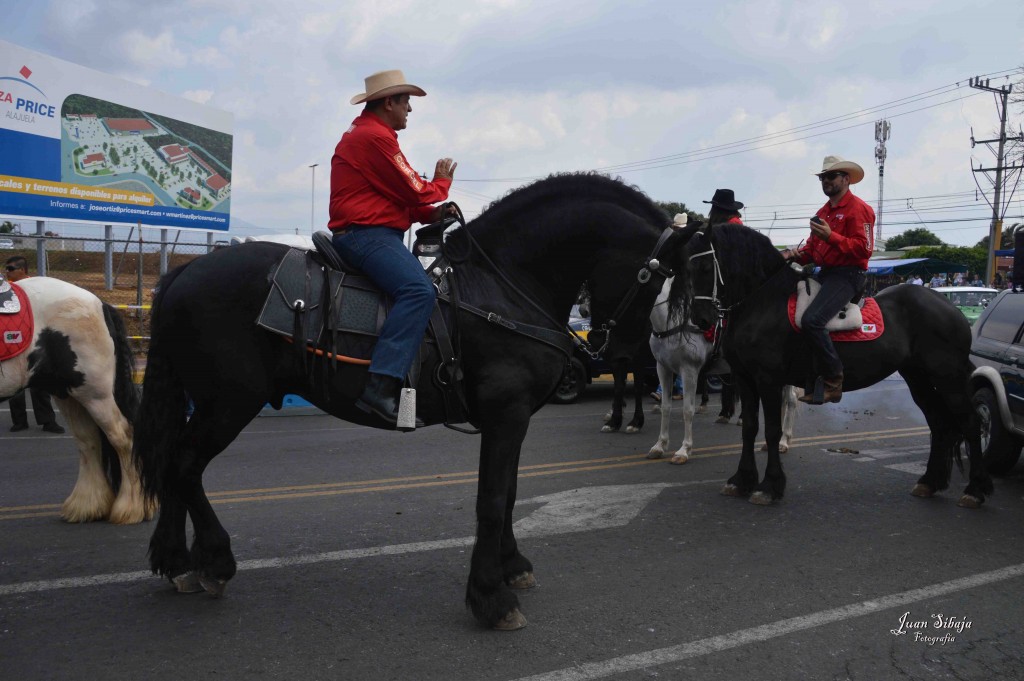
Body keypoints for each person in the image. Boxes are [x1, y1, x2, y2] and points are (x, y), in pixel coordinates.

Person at [328, 70, 457, 427]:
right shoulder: (375, 138)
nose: (410, 111)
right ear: (389, 103)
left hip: (370, 232)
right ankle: (380, 385)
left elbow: (402, 198)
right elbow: (414, 189)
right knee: (418, 291)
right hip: (367, 235)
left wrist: (432, 211)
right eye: (406, 102)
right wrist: (442, 185)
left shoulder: (370, 135)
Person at [781, 155, 874, 404]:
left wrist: (832, 237)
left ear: (846, 179)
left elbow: (864, 250)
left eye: (831, 176)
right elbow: (813, 250)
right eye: (823, 177)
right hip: (827, 273)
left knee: (812, 320)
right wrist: (795, 256)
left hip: (849, 275)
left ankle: (834, 380)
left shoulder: (860, 209)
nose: (826, 181)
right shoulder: (823, 212)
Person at [4, 256, 65, 434]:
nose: (7, 272)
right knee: (16, 385)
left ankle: (47, 421)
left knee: (40, 384)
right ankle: (20, 421)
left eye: (10, 268)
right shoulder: (6, 288)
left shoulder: (36, 288)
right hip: (15, 340)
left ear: (22, 270)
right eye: (6, 269)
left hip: (35, 340)